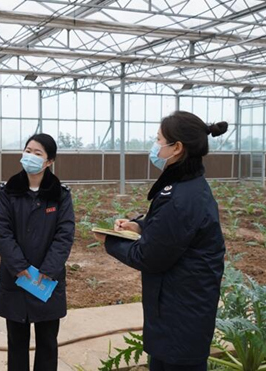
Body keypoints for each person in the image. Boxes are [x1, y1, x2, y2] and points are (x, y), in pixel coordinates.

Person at [94, 111, 227, 371]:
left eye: (158, 140)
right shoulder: (185, 186)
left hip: (181, 317)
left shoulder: (182, 197)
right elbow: (171, 228)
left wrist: (111, 241)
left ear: (176, 147)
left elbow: (149, 257)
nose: (154, 147)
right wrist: (139, 226)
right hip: (178, 311)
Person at [0, 133, 75, 371]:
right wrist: (18, 266)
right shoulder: (8, 192)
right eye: (28, 150)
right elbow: (2, 231)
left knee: (47, 343)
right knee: (16, 342)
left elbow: (64, 235)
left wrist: (48, 270)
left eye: (37, 153)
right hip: (16, 278)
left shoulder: (60, 195)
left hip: (46, 281)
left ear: (49, 161)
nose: (30, 156)